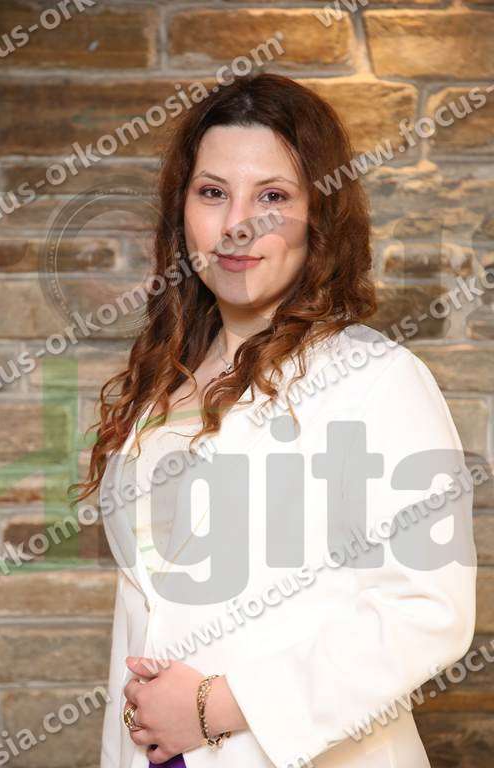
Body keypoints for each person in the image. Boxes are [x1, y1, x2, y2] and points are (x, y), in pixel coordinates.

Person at [70, 72, 477, 768]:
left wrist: (219, 706)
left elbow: (427, 613)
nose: (237, 224)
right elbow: (149, 614)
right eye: (212, 193)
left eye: (272, 197)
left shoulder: (376, 379)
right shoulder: (162, 382)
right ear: (182, 210)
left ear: (319, 215)